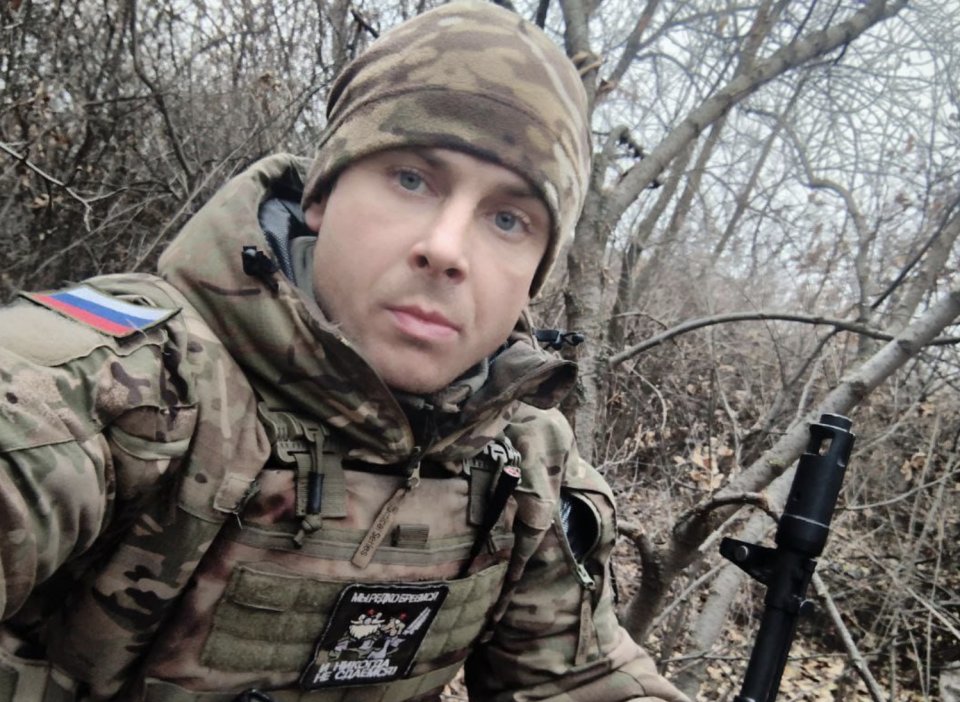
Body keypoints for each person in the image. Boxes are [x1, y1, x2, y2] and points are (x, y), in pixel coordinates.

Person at [0, 2, 689, 701]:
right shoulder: (125, 384)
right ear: (323, 194)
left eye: (509, 219)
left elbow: (580, 679)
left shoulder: (525, 465)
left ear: (534, 274)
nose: (446, 249)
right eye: (412, 179)